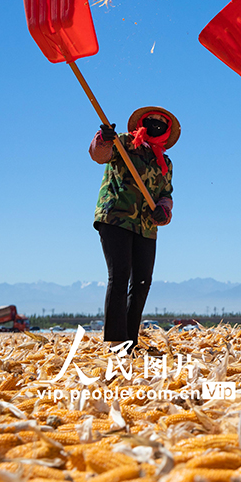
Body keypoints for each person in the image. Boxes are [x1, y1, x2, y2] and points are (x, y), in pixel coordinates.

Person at [89, 107, 177, 350]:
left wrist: (163, 211)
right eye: (152, 120)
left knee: (142, 281)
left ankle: (130, 341)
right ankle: (115, 341)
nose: (156, 124)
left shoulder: (165, 162)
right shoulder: (125, 143)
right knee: (119, 276)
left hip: (146, 227)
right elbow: (100, 156)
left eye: (162, 123)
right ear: (142, 122)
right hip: (116, 217)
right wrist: (103, 140)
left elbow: (166, 195)